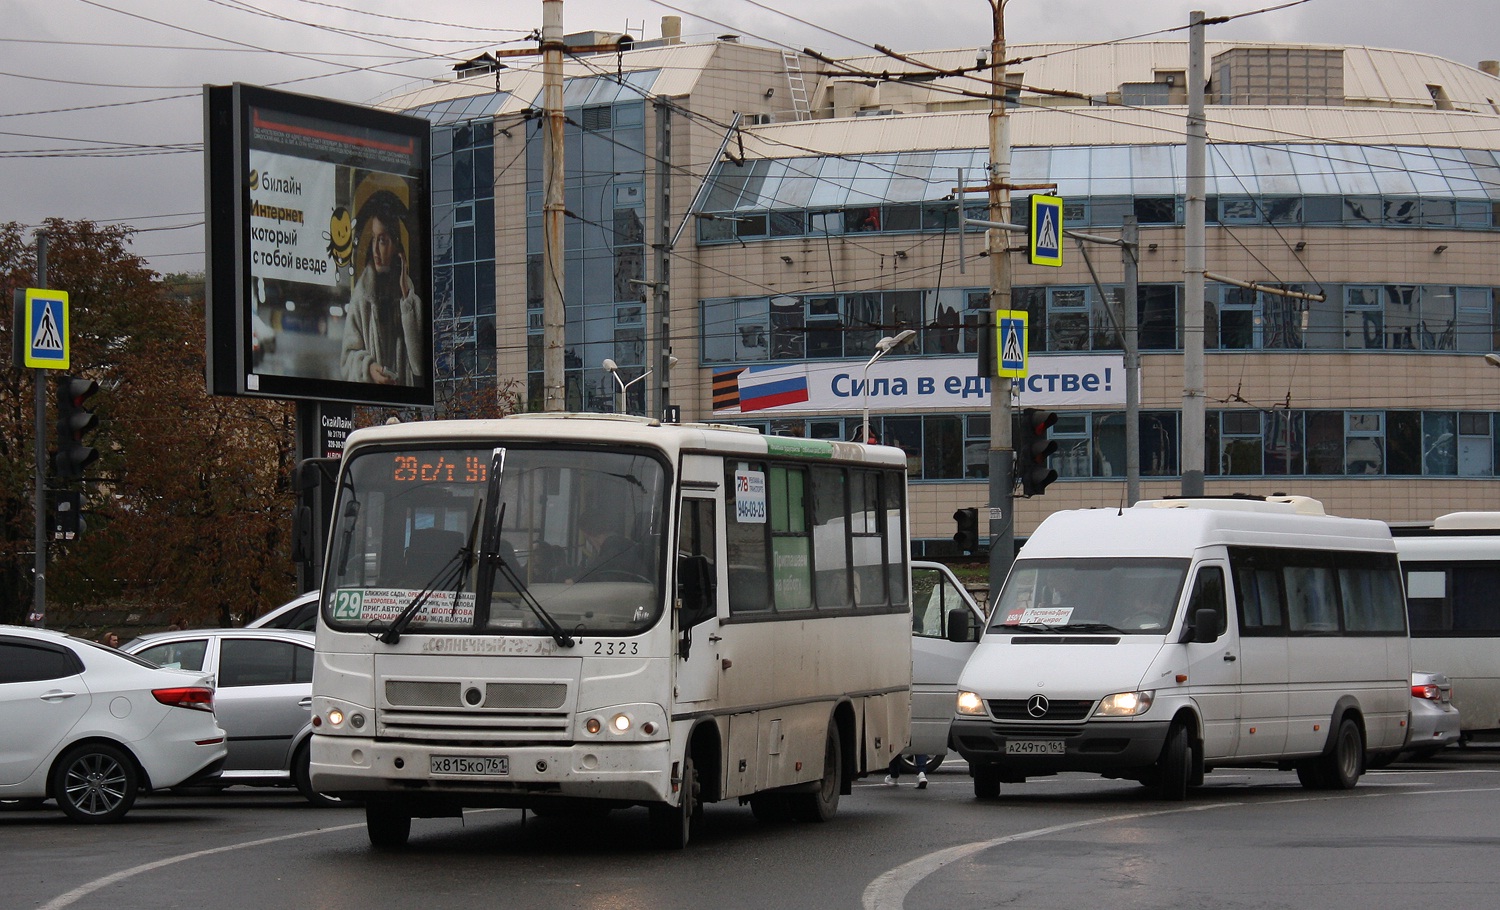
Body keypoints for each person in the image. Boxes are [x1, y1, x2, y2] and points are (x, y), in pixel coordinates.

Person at [340, 189, 425, 386]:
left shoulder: (410, 299)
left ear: (396, 245)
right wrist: (369, 369)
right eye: (373, 240)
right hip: (370, 409)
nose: (376, 250)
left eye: (383, 240)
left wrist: (406, 298)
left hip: (407, 409)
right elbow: (347, 360)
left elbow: (419, 365)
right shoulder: (362, 295)